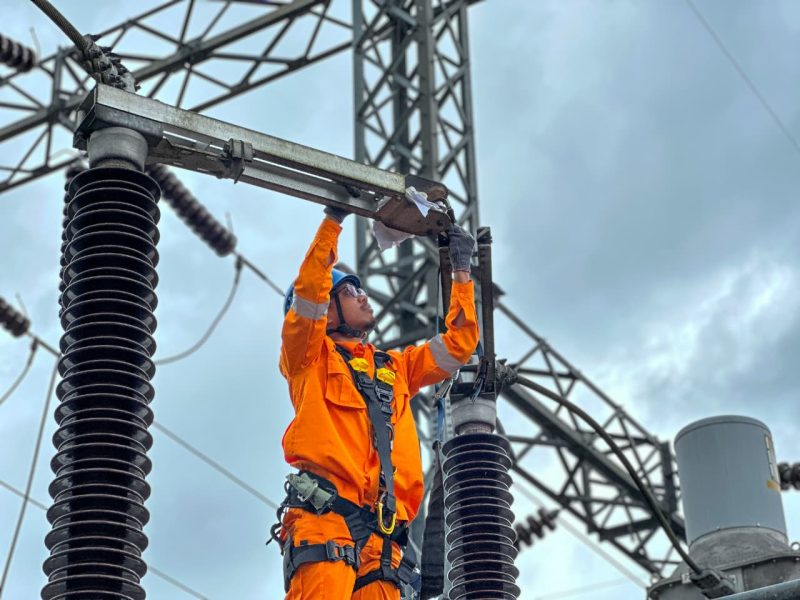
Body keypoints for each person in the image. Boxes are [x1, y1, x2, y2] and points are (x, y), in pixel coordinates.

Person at [275, 203, 479, 600]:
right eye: (350, 291)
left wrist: (462, 273)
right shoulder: (307, 358)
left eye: (362, 289)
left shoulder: (396, 368)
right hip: (325, 519)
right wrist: (333, 221)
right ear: (328, 311)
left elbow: (458, 347)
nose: (364, 297)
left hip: (383, 541)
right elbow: (308, 296)